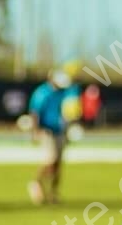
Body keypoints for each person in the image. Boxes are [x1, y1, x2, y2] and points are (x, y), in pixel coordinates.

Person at [26, 65, 81, 205]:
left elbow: (70, 108)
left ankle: (53, 193)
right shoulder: (42, 93)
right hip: (46, 130)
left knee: (58, 164)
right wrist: (35, 132)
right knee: (50, 159)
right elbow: (34, 113)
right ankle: (36, 182)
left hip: (60, 131)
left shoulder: (64, 92)